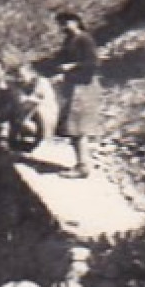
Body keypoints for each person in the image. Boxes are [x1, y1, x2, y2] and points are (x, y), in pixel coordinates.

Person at [54, 11, 101, 178]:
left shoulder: (84, 39)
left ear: (76, 21)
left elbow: (92, 63)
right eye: (61, 24)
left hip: (84, 86)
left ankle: (83, 166)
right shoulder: (69, 40)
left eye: (66, 22)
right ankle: (82, 163)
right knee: (71, 127)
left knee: (77, 128)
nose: (63, 27)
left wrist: (71, 67)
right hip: (73, 85)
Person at [10, 63, 59, 153]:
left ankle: (41, 141)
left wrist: (22, 119)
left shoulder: (41, 83)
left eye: (22, 75)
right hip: (29, 115)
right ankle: (15, 144)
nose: (20, 78)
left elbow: (33, 103)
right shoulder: (20, 85)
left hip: (45, 116)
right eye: (17, 76)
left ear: (31, 73)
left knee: (34, 111)